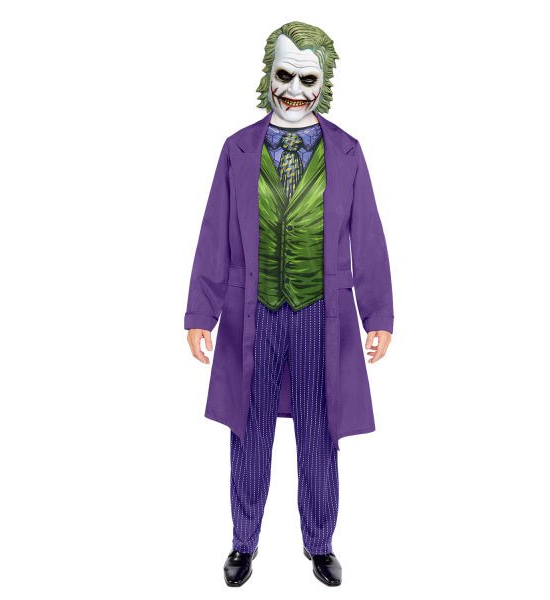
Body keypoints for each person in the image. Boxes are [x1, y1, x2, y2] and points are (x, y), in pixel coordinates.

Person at [184, 21, 394, 587]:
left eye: (308, 79)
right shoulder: (237, 150)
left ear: (323, 82)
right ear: (267, 76)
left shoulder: (346, 152)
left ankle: (319, 543)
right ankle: (243, 541)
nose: (295, 90)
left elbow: (367, 236)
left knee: (320, 430)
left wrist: (378, 315)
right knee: (248, 431)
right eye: (285, 75)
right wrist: (202, 313)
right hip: (252, 310)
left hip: (321, 314)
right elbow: (215, 233)